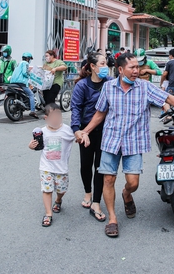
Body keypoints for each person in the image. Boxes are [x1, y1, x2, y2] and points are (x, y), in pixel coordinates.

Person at [79, 53, 174, 238]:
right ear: (120, 69)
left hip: (133, 142)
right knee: (108, 180)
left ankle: (127, 194)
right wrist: (85, 131)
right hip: (110, 140)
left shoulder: (144, 87)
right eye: (132, 68)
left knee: (133, 182)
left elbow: (167, 98)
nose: (137, 71)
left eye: (137, 67)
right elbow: (100, 114)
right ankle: (112, 218)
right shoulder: (108, 88)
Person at [28, 103, 90, 227]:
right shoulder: (42, 132)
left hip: (61, 168)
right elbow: (36, 145)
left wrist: (83, 137)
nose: (56, 119)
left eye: (59, 116)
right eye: (53, 116)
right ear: (46, 118)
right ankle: (48, 213)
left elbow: (78, 136)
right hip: (46, 167)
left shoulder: (67, 130)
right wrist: (31, 146)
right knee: (47, 189)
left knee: (62, 189)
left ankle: (58, 200)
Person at [71, 52, 112, 222]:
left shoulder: (110, 83)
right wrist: (76, 130)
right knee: (86, 165)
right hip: (85, 130)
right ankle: (88, 192)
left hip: (105, 130)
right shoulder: (82, 85)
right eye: (102, 64)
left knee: (100, 167)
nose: (106, 67)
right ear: (93, 66)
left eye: (106, 63)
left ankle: (96, 201)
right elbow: (75, 108)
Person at [10, 52, 38, 119]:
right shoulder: (25, 63)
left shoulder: (19, 63)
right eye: (30, 59)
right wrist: (30, 75)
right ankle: (33, 111)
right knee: (31, 94)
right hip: (21, 82)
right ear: (28, 59)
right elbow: (24, 72)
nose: (30, 60)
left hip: (13, 81)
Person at [0, 45, 16, 115]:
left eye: (5, 52)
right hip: (1, 81)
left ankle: (12, 109)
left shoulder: (13, 61)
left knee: (11, 95)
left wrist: (12, 78)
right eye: (3, 52)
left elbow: (15, 71)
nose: (3, 53)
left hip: (9, 81)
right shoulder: (0, 59)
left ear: (8, 52)